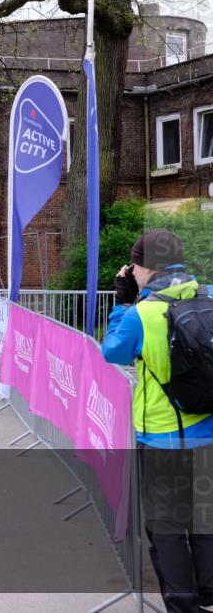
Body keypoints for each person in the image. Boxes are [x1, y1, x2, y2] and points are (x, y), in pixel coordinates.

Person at [101, 229, 213, 613]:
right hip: (208, 434)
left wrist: (122, 302)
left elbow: (112, 352)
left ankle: (184, 608)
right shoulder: (209, 296)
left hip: (162, 439)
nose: (131, 270)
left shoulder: (141, 315)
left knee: (167, 532)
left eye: (134, 264)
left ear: (147, 266)